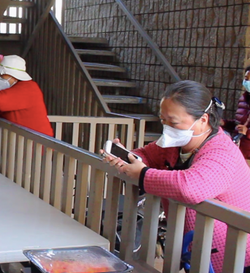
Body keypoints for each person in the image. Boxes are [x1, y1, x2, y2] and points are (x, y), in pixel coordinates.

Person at [102, 80, 250, 273]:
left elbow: (189, 187)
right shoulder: (175, 143)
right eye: (163, 120)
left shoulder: (222, 151)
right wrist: (127, 156)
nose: (166, 127)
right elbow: (147, 154)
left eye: (173, 122)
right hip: (197, 248)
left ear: (203, 120)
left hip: (233, 253)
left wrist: (142, 174)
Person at [222, 65, 250, 161]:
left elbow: (245, 129)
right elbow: (239, 123)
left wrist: (247, 132)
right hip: (239, 150)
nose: (247, 82)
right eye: (246, 79)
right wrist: (224, 123)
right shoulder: (244, 98)